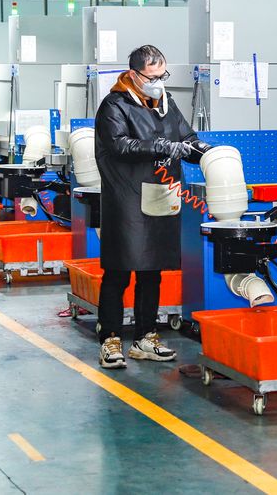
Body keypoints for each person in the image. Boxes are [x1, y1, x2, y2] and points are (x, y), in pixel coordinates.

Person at [94, 45, 210, 369]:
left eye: (163, 75)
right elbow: (118, 145)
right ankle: (111, 339)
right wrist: (159, 145)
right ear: (134, 74)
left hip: (160, 195)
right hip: (126, 200)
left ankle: (146, 337)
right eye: (152, 76)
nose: (159, 82)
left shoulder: (165, 104)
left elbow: (186, 136)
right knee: (118, 271)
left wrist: (207, 152)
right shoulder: (114, 106)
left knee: (152, 271)